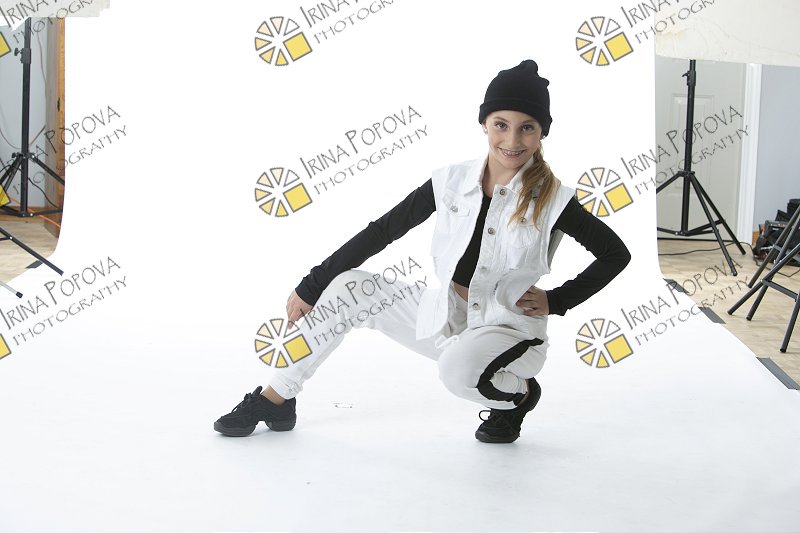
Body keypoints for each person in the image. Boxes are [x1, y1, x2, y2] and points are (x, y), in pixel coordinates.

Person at [214, 59, 632, 443]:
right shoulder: (451, 182)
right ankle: (276, 398)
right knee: (347, 288)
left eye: (527, 128)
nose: (512, 139)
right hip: (447, 317)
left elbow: (615, 254)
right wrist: (313, 284)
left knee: (456, 371)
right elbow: (382, 231)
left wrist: (557, 300)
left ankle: (518, 396)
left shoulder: (553, 200)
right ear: (484, 124)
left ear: (542, 133)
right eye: (501, 124)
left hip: (508, 331)